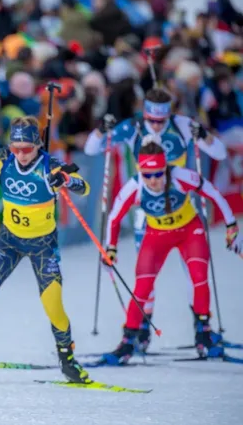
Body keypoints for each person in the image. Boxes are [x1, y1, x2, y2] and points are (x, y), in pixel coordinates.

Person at [0, 116, 92, 384]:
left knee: (53, 305)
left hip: (43, 245)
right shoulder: (4, 159)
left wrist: (66, 180)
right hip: (9, 241)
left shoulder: (50, 166)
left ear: (37, 145)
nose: (20, 154)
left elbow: (84, 186)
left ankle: (68, 360)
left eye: (27, 149)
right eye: (16, 148)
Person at [83, 88, 227, 341]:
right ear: (144, 114)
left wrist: (205, 136)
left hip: (182, 207)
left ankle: (202, 328)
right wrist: (100, 129)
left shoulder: (182, 125)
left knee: (194, 273)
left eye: (161, 121)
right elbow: (91, 149)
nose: (157, 126)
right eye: (152, 120)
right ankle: (142, 330)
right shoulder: (134, 127)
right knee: (146, 276)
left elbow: (220, 154)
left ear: (169, 116)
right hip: (148, 214)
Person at [102, 137, 240, 363]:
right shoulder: (134, 186)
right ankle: (128, 341)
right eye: (148, 175)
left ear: (165, 168)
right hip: (156, 236)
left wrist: (231, 226)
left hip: (189, 231)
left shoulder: (180, 176)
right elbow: (114, 218)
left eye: (159, 173)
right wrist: (111, 249)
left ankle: (203, 333)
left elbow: (214, 194)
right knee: (142, 287)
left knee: (199, 278)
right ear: (140, 171)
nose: (154, 180)